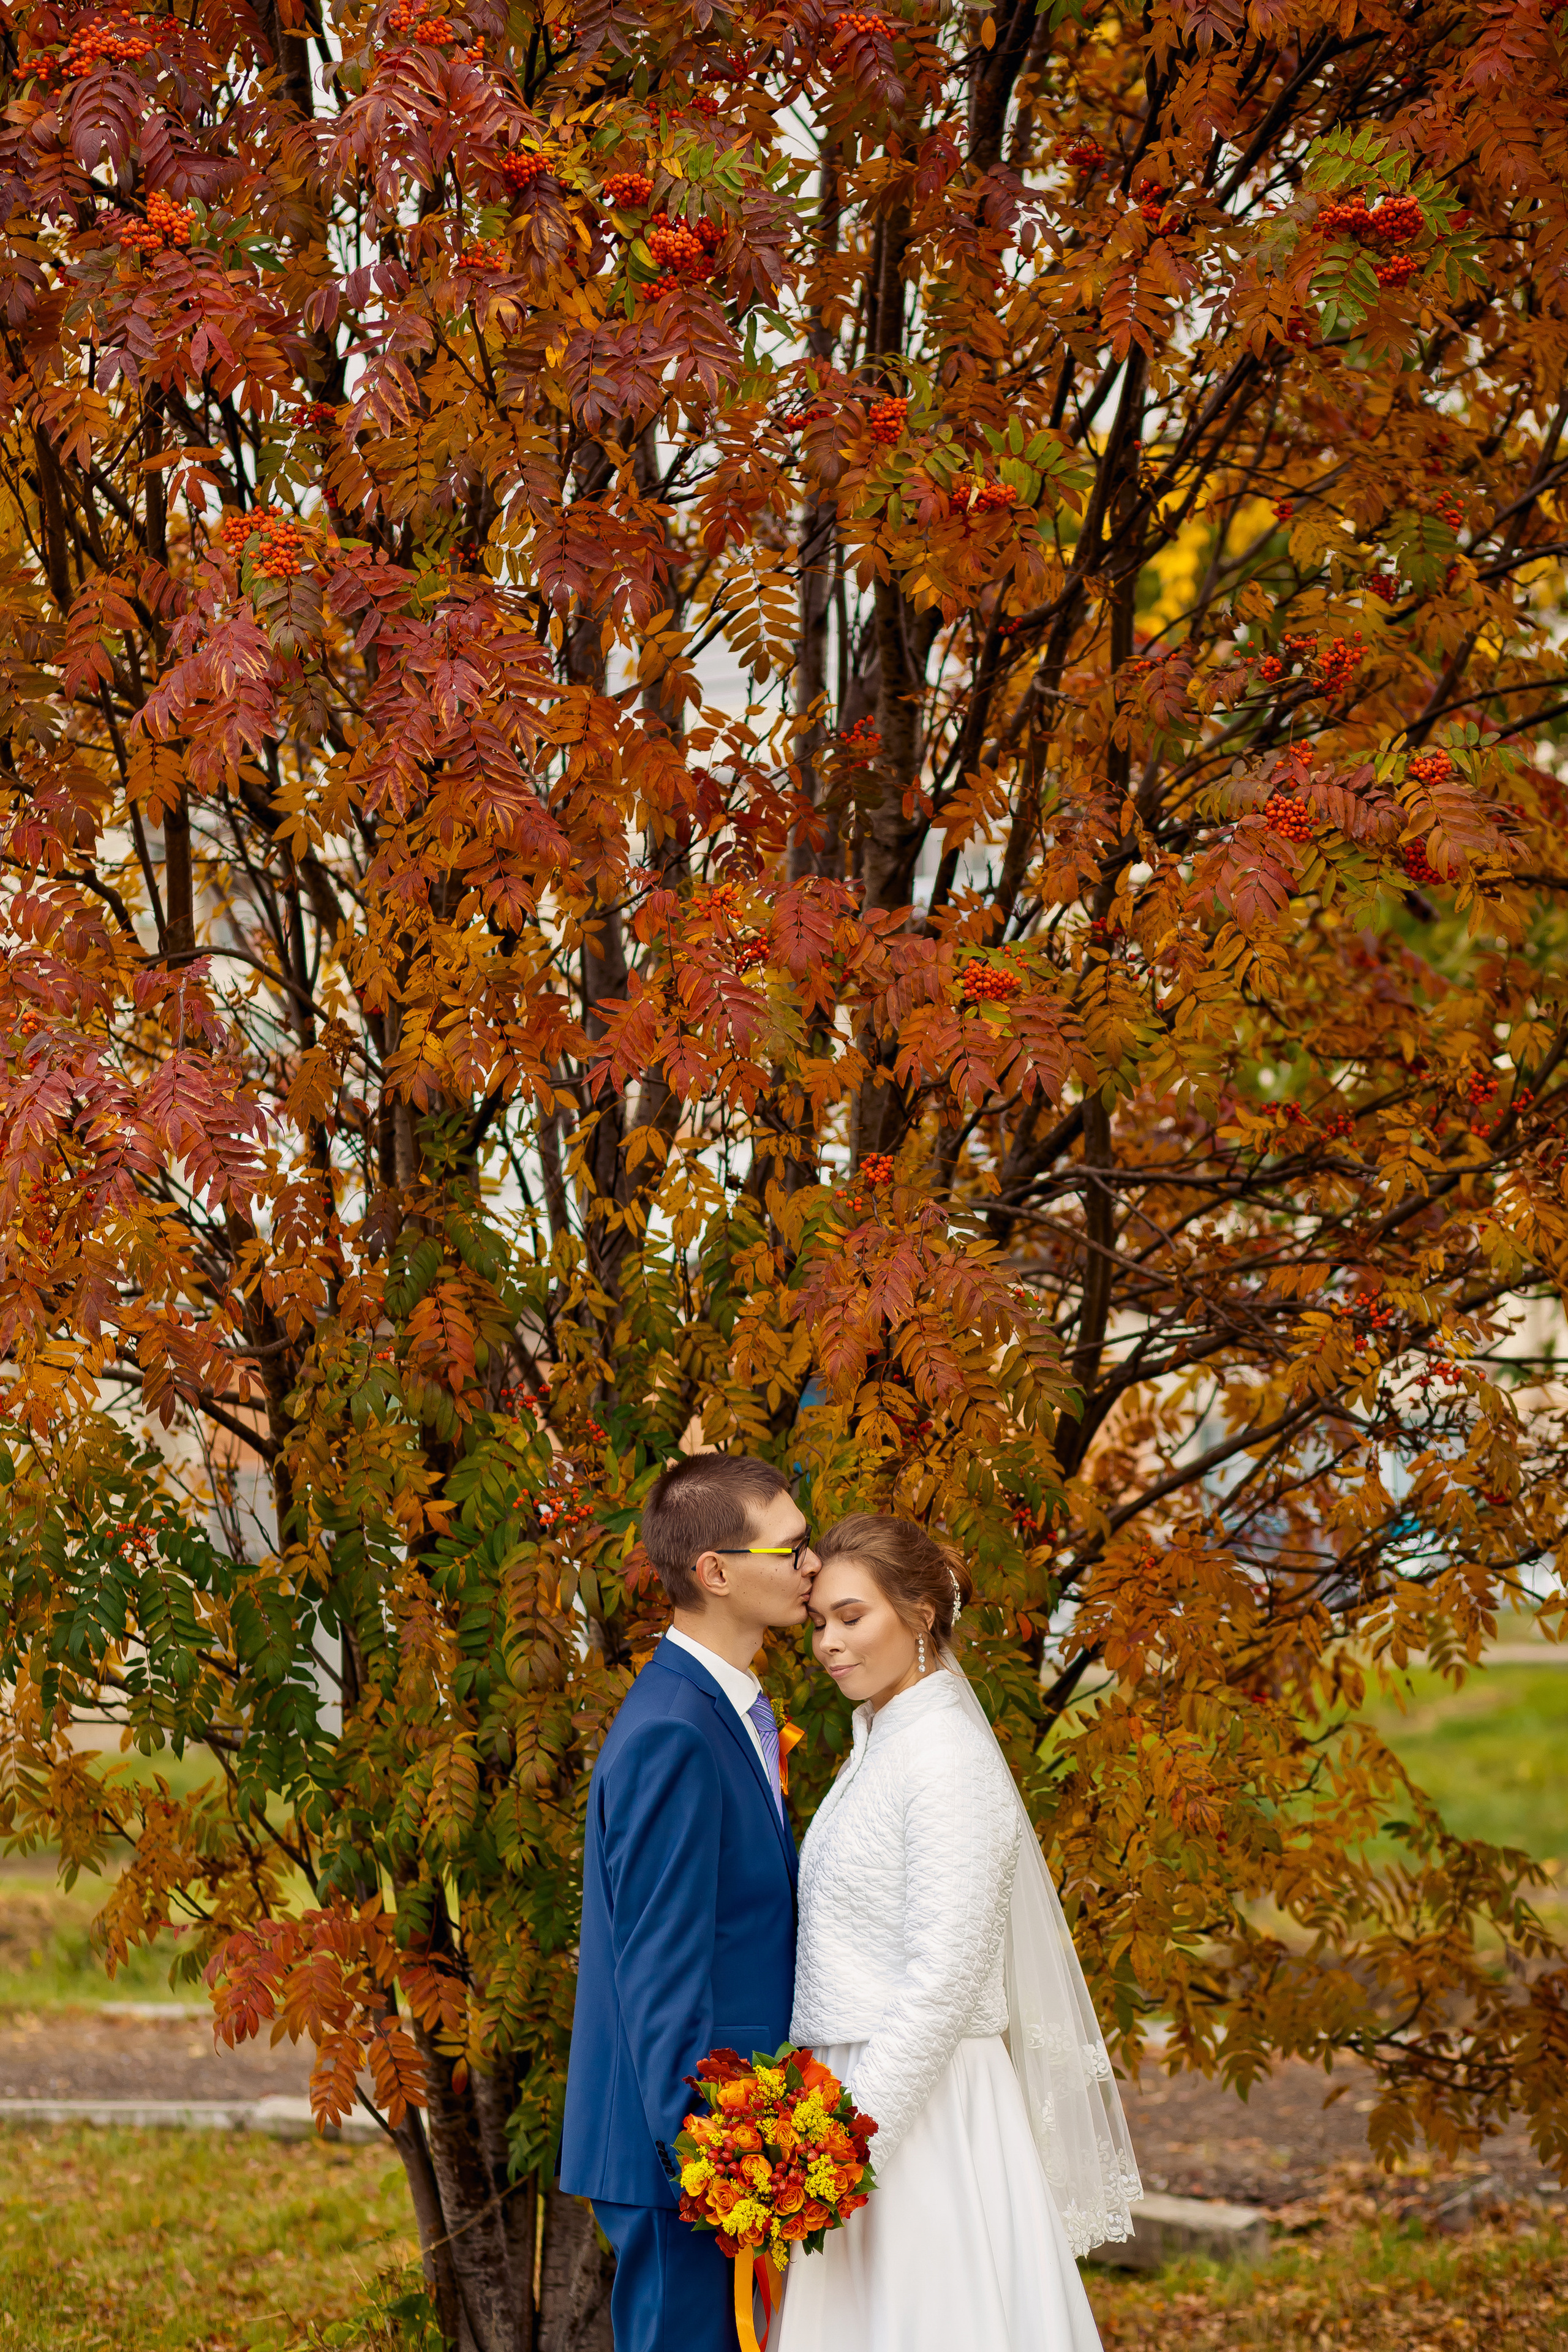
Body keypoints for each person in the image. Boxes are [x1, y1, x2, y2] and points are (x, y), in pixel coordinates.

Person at [776, 1514, 1142, 2352]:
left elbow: (944, 1977)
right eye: (820, 1622)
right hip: (853, 2093)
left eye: (851, 1617)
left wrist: (846, 2147)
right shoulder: (879, 1744)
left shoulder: (944, 1757)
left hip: (922, 2110)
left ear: (920, 1614)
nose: (829, 1643)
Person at [559, 1452, 818, 2352]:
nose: (813, 1565)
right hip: (687, 2154)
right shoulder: (673, 1731)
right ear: (715, 1572)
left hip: (728, 2135)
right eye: (790, 1550)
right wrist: (713, 2164)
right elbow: (660, 1974)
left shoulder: (721, 1707)